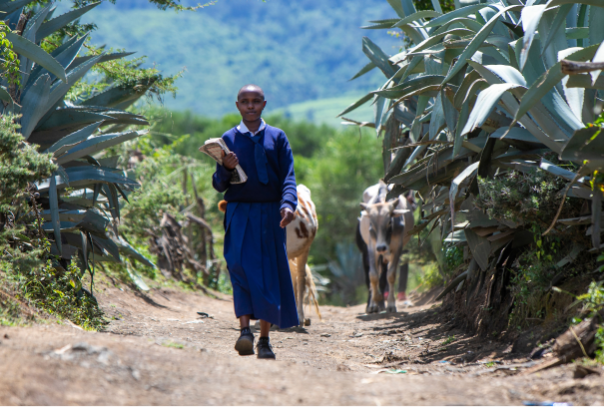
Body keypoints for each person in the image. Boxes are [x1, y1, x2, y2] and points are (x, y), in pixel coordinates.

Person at [212, 84, 298, 359]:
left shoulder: (277, 137)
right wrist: (225, 169)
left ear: (264, 104)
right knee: (239, 268)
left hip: (271, 214)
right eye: (245, 101)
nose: (250, 106)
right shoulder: (228, 139)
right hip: (238, 213)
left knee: (268, 273)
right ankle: (244, 331)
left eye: (255, 101)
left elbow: (288, 177)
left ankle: (264, 340)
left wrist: (287, 204)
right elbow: (218, 184)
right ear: (237, 105)